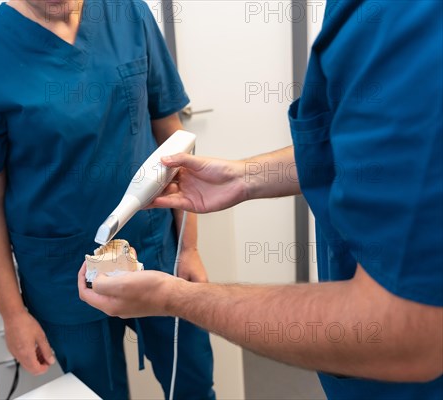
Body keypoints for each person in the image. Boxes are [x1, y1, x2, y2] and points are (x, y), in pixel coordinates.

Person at [79, 1, 443, 398]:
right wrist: (246, 177)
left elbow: (400, 330)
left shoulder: (405, 21)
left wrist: (174, 298)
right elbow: (372, 156)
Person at [0, 0, 215, 399]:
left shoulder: (128, 14)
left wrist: (189, 247)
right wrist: (13, 314)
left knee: (193, 384)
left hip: (157, 250)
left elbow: (172, 135)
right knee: (96, 393)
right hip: (60, 273)